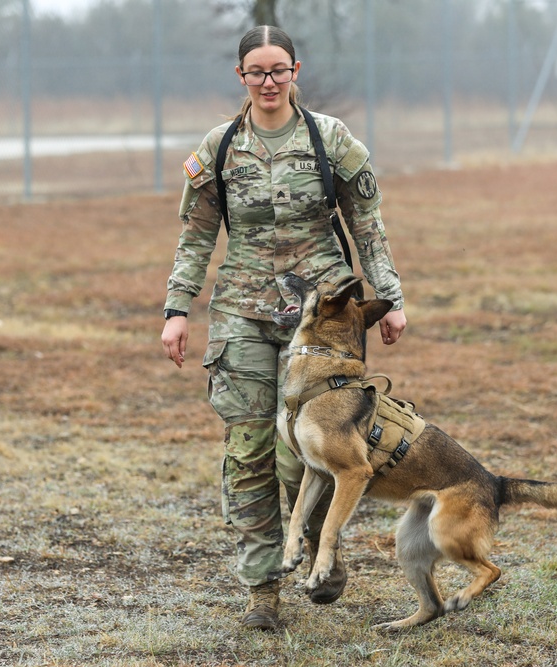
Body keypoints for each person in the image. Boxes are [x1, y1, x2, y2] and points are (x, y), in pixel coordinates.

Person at [160, 25, 407, 630]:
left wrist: (391, 297)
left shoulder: (331, 141)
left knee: (308, 455)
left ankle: (324, 554)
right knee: (248, 451)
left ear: (296, 70)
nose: (268, 82)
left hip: (323, 324)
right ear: (240, 77)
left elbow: (367, 224)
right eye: (256, 72)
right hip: (241, 316)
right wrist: (176, 309)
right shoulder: (220, 147)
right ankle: (262, 591)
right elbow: (195, 237)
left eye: (279, 70)